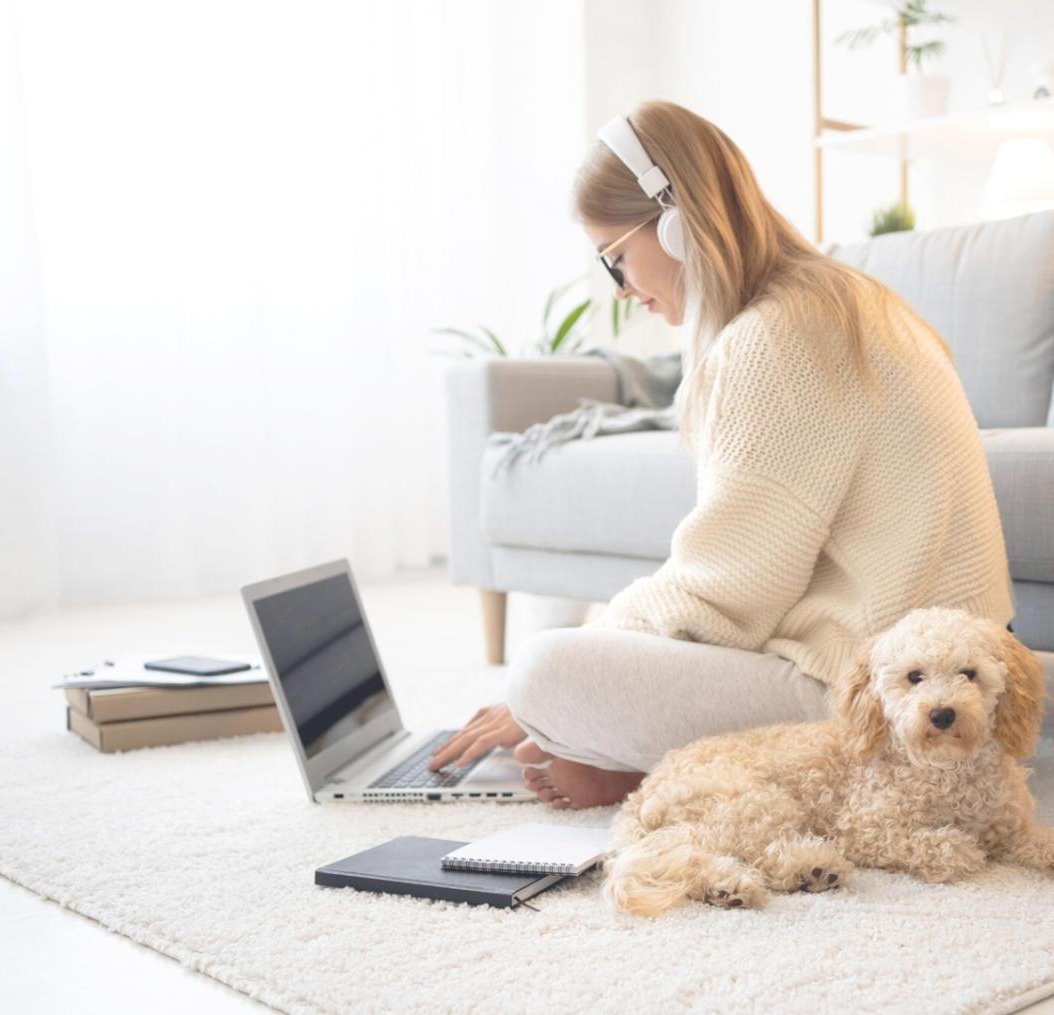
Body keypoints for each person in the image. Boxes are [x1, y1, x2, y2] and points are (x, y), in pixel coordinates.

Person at [427, 100, 1015, 810]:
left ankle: (667, 766)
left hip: (879, 695)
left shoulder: (774, 335)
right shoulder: (840, 301)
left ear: (675, 222)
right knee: (599, 650)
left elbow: (727, 591)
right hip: (958, 681)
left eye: (616, 258)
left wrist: (540, 697)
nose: (622, 288)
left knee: (542, 669)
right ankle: (651, 761)